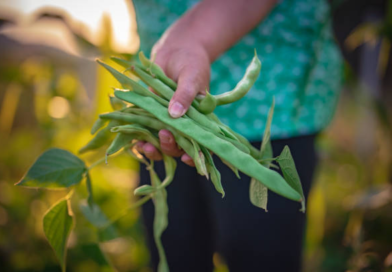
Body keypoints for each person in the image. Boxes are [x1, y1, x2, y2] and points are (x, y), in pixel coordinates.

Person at [131, 0, 342, 271]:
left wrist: (191, 38)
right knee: (175, 257)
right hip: (166, 97)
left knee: (260, 259)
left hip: (269, 110)